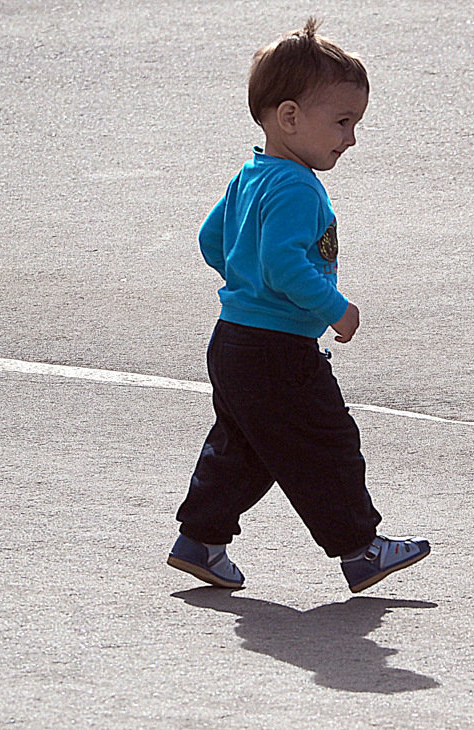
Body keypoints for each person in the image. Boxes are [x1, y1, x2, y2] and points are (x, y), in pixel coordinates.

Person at [167, 18, 429, 593]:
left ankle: (200, 539)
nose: (350, 138)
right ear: (289, 116)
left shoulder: (251, 175)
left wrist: (244, 282)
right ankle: (361, 549)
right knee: (327, 443)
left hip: (234, 340)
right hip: (278, 350)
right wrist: (335, 306)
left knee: (246, 447)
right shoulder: (296, 186)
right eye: (342, 122)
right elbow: (287, 266)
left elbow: (214, 240)